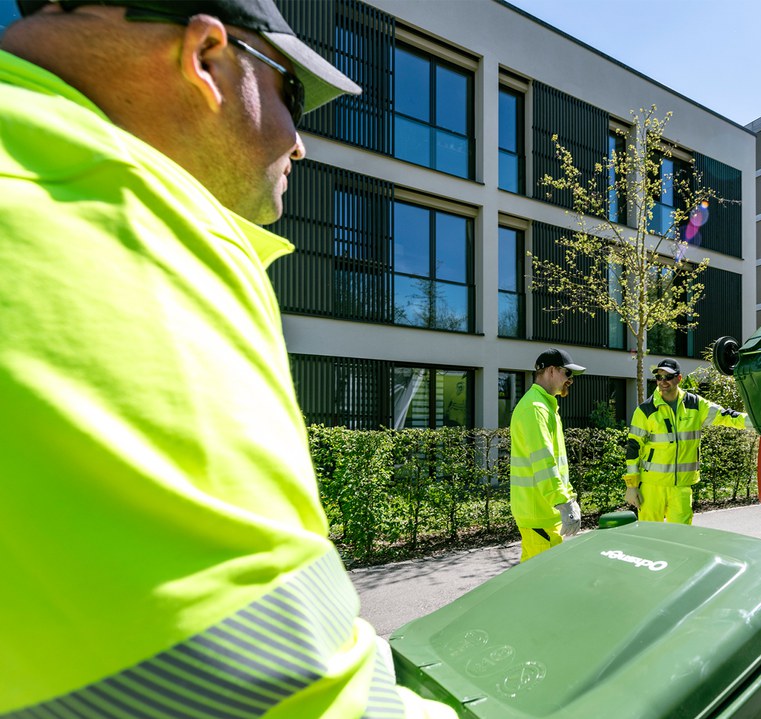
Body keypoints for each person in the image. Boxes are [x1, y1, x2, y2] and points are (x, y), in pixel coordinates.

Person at [0, 2, 454, 716]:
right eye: (292, 96)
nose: (300, 144)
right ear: (207, 57)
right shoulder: (137, 236)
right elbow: (286, 687)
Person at [623, 358, 751, 524]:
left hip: (682, 487)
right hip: (651, 486)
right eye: (659, 377)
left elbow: (726, 416)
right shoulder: (645, 410)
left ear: (679, 378)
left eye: (668, 377)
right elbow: (633, 448)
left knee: (681, 537)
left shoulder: (695, 405)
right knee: (649, 536)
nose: (663, 382)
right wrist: (632, 486)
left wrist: (758, 422)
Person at [509, 348, 586, 561]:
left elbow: (556, 464)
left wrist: (569, 498)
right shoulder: (536, 408)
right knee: (541, 583)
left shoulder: (544, 406)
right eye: (568, 373)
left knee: (537, 580)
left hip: (542, 511)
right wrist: (564, 502)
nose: (570, 380)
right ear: (552, 371)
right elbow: (544, 462)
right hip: (539, 512)